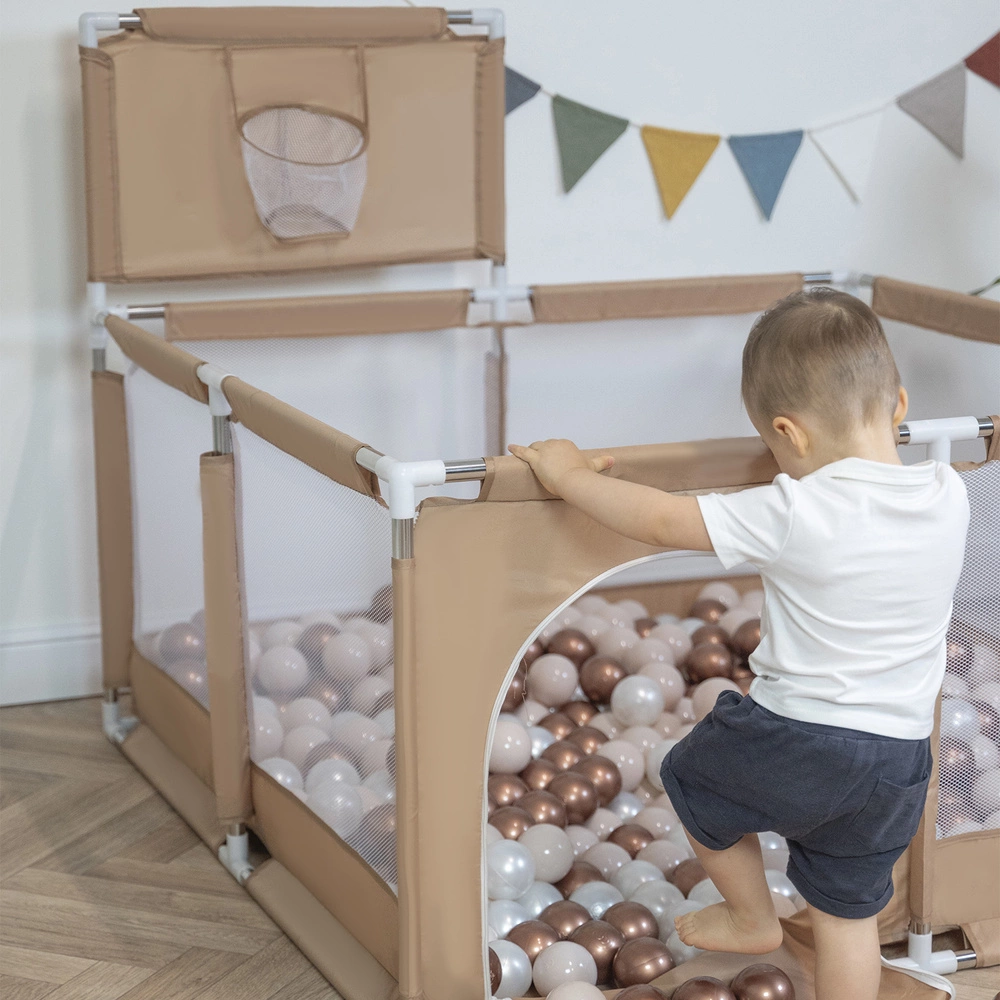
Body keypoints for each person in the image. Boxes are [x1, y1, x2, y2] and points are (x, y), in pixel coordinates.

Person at [508, 288, 969, 1000]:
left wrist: (567, 475)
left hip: (800, 741)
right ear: (900, 406)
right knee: (848, 919)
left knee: (691, 774)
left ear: (790, 433)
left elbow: (662, 521)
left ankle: (752, 916)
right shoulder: (950, 493)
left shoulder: (798, 507)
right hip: (900, 763)